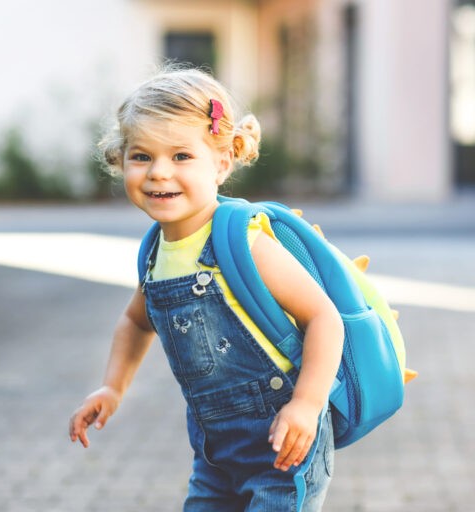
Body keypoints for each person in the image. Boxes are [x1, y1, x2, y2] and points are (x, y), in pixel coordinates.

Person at [68, 67, 344, 511]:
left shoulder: (241, 240)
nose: (159, 173)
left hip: (285, 448)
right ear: (120, 161)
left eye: (180, 156)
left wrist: (307, 405)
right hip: (214, 453)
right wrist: (112, 388)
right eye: (141, 156)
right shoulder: (156, 252)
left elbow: (324, 318)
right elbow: (135, 322)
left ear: (221, 162)